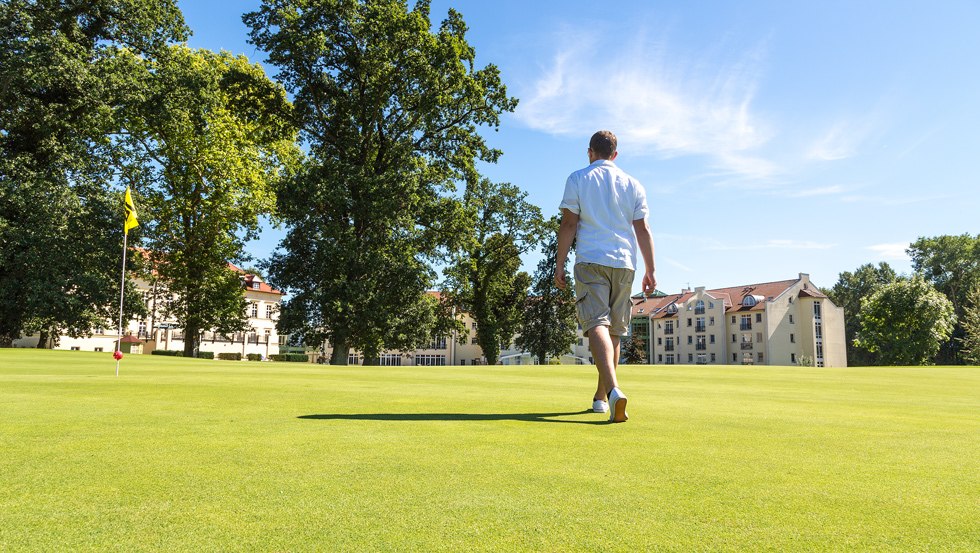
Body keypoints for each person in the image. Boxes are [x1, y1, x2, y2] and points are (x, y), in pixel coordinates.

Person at [555, 130, 656, 423]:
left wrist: (559, 264)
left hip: (591, 260)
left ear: (590, 152)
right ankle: (601, 398)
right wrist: (651, 270)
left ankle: (612, 391)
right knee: (614, 331)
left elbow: (569, 223)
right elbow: (643, 230)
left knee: (596, 323)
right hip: (625, 264)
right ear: (615, 154)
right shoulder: (634, 184)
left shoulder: (578, 178)